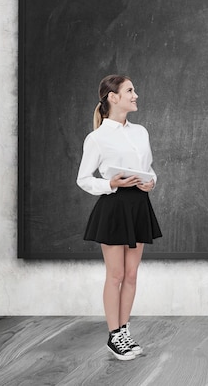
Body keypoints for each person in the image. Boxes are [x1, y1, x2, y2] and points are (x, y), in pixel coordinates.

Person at [76, 74, 162, 361]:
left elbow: (147, 168)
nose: (135, 95)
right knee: (115, 275)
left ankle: (124, 330)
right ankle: (115, 335)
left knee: (132, 274)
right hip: (114, 207)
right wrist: (111, 184)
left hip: (139, 204)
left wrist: (151, 182)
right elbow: (84, 179)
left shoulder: (141, 132)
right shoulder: (97, 138)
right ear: (113, 97)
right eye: (130, 90)